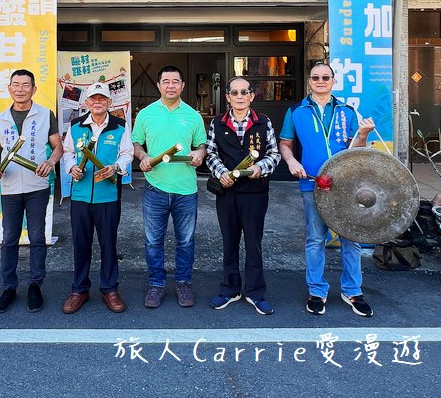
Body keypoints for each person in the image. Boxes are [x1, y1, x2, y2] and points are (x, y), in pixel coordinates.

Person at [279, 61, 375, 318]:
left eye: (325, 77)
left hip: (347, 187)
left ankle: (352, 290)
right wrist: (291, 160)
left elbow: (358, 148)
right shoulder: (297, 111)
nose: (320, 81)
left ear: (333, 81)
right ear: (309, 81)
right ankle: (317, 291)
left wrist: (363, 133)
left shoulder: (348, 110)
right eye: (315, 77)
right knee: (315, 240)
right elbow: (285, 143)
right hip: (312, 183)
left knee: (351, 238)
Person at [0, 69, 62, 314]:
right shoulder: (0, 118)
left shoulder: (45, 115)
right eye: (16, 84)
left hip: (37, 186)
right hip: (8, 187)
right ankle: (9, 287)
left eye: (25, 85)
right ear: (9, 88)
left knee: (38, 237)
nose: (20, 89)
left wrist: (50, 163)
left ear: (34, 89)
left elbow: (57, 147)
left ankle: (35, 285)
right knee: (9, 238)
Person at [132, 65, 207, 308]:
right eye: (166, 81)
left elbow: (201, 147)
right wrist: (142, 156)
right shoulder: (146, 114)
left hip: (186, 189)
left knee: (185, 241)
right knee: (153, 241)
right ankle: (156, 284)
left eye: (176, 81)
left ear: (183, 85)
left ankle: (184, 283)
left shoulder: (193, 116)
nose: (171, 85)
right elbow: (136, 144)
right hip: (155, 188)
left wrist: (199, 154)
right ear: (159, 85)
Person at [206, 76, 281, 315]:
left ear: (251, 96)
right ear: (227, 97)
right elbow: (210, 154)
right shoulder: (217, 123)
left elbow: (274, 154)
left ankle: (255, 292)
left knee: (253, 242)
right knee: (229, 242)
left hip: (255, 192)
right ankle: (230, 289)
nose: (239, 97)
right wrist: (222, 173)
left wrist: (261, 168)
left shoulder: (263, 122)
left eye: (244, 92)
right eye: (234, 93)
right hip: (227, 192)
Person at [61, 82, 133, 314]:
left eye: (103, 98)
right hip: (81, 195)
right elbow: (68, 152)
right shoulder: (76, 126)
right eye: (94, 98)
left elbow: (127, 154)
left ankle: (109, 289)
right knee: (80, 243)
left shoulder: (120, 127)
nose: (98, 102)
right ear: (87, 103)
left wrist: (116, 168)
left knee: (108, 244)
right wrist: (72, 167)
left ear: (109, 103)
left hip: (108, 195)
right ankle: (79, 289)